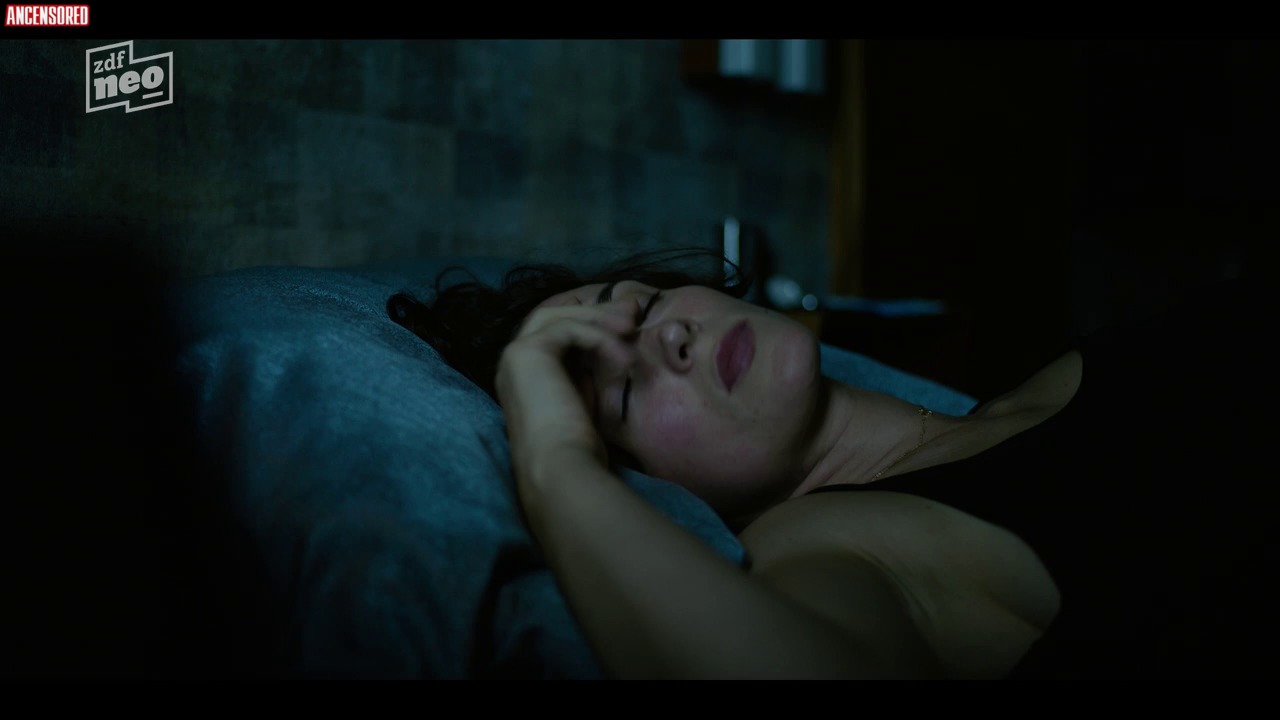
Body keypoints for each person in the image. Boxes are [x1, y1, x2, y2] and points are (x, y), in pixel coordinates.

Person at [387, 248, 1276, 679]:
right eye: (622, 393)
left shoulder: (1038, 386)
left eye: (644, 307)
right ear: (645, 484)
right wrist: (555, 461)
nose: (670, 338)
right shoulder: (833, 549)